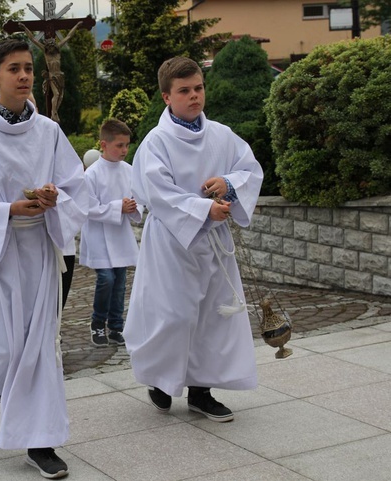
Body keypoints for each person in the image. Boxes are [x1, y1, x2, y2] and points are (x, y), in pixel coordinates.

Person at [0, 37, 90, 479]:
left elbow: (75, 183)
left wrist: (53, 196)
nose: (25, 75)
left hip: (42, 249)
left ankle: (40, 441)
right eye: (14, 69)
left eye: (28, 68)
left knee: (42, 346)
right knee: (6, 349)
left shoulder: (47, 130)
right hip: (1, 253)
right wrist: (7, 210)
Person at [124, 57, 263, 423]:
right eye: (184, 91)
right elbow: (156, 192)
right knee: (173, 314)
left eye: (198, 88)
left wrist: (228, 184)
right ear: (167, 96)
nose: (194, 96)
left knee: (214, 316)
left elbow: (249, 169)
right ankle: (160, 381)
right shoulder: (156, 142)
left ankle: (203, 391)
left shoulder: (221, 133)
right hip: (172, 241)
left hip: (214, 243)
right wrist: (203, 210)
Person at [79, 118, 141, 347]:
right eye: (119, 145)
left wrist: (133, 207)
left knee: (120, 282)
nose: (124, 150)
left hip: (120, 235)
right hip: (99, 236)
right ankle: (97, 323)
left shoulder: (129, 170)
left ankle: (116, 326)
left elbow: (139, 198)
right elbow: (88, 207)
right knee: (106, 279)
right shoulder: (92, 174)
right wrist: (118, 207)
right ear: (103, 145)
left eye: (127, 145)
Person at [18, 21, 82, 122]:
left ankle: (55, 111)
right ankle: (54, 114)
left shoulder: (57, 52)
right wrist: (25, 28)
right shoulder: (46, 52)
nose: (51, 48)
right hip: (52, 76)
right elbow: (33, 39)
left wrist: (76, 26)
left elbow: (68, 37)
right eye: (50, 47)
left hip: (60, 75)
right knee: (56, 95)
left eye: (53, 46)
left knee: (60, 97)